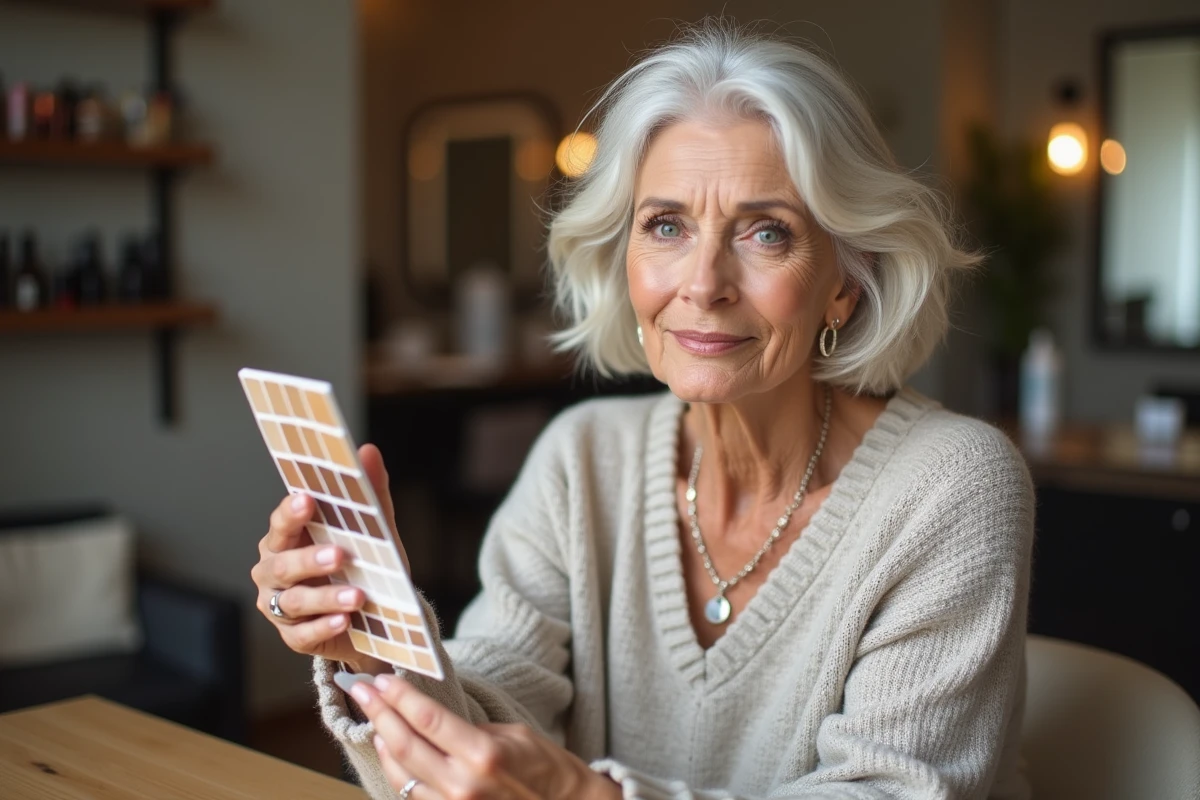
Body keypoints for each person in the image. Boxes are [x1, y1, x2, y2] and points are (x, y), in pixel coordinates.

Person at [251, 22, 1033, 800]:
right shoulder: (582, 456)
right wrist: (372, 639)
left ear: (844, 282)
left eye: (768, 232)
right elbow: (488, 720)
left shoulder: (950, 486)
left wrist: (591, 797)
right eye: (667, 225)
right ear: (625, 257)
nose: (703, 282)